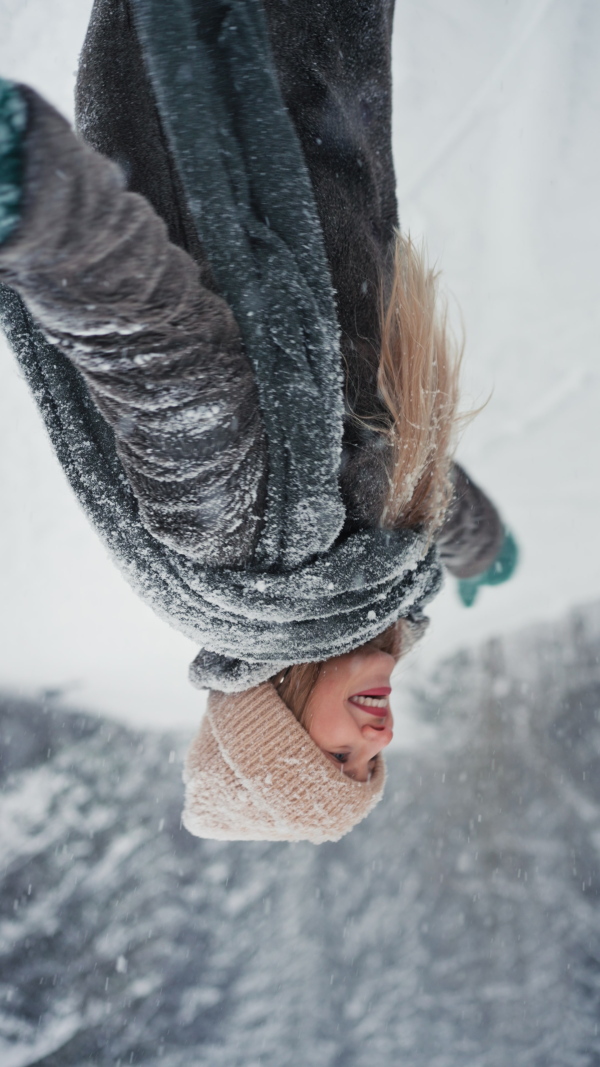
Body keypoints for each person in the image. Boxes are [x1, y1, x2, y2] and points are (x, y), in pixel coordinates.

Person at [0, 0, 516, 843]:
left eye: (338, 759)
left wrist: (43, 207)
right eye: (373, 766)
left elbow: (161, 358)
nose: (378, 740)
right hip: (322, 82)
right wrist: (478, 540)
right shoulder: (367, 579)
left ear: (275, 724)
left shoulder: (239, 556)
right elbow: (389, 464)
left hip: (212, 82)